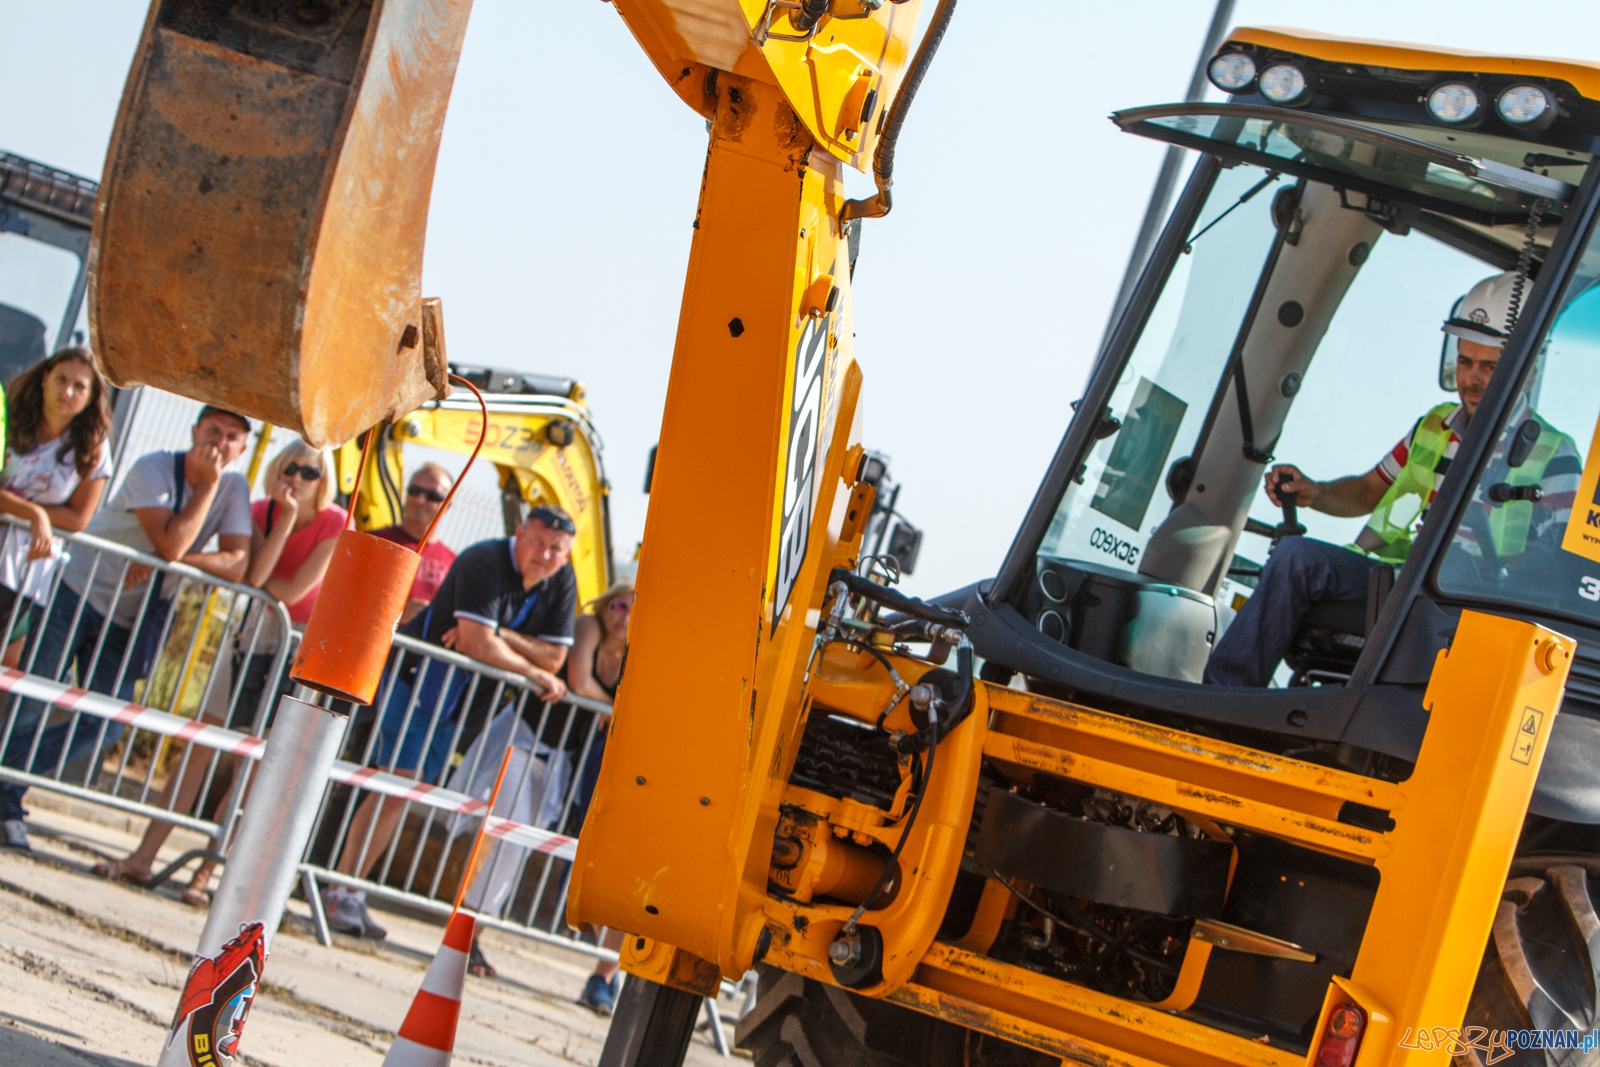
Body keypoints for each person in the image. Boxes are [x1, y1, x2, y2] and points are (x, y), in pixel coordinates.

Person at [1205, 272, 1580, 687]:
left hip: (1467, 607)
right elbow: (1369, 490)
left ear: (1526, 368)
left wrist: (1478, 564)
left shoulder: (1554, 455)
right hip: (1400, 579)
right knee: (1297, 558)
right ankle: (1219, 700)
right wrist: (1317, 492)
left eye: (1489, 366)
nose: (1471, 379)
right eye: (1466, 362)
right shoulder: (1434, 426)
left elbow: (1555, 570)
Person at [94, 439, 345, 897]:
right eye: (291, 467)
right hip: (245, 636)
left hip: (294, 649)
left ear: (323, 480)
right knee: (199, 745)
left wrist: (261, 577)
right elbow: (254, 578)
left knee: (251, 766)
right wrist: (283, 523)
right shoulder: (260, 510)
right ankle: (143, 858)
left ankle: (206, 875)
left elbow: (289, 591)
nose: (298, 478)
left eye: (310, 472)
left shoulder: (335, 522)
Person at [0, 406, 252, 851]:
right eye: (213, 430)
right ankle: (8, 802)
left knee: (106, 725)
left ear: (244, 448)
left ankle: (5, 782)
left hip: (133, 616)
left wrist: (167, 565)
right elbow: (171, 541)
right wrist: (201, 497)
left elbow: (235, 562)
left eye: (232, 436)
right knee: (33, 703)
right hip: (77, 589)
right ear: (193, 431)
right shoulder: (153, 467)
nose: (220, 443)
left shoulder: (233, 487)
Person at [322, 505, 577, 939]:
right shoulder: (484, 559)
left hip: (463, 701)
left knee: (406, 788)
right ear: (518, 534)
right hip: (420, 680)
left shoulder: (561, 581)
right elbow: (481, 644)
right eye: (537, 542)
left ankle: (348, 888)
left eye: (557, 549)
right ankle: (339, 891)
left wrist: (501, 637)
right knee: (396, 785)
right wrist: (528, 668)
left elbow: (555, 656)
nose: (545, 554)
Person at [0, 348, 114, 668]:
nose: (67, 392)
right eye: (61, 379)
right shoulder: (8, 416)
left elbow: (79, 517)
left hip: (19, 572)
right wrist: (34, 514)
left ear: (91, 397)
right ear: (44, 379)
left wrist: (31, 516)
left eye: (79, 386)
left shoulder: (93, 446)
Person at [568, 581, 631, 1010]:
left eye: (631, 609)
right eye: (619, 604)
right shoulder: (586, 625)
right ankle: (466, 939)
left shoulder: (645, 649)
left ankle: (603, 977)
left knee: (629, 870)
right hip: (563, 745)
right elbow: (578, 679)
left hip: (619, 758)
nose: (623, 615)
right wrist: (614, 711)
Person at [369, 463, 457, 625]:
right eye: (415, 491)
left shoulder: (454, 563)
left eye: (432, 496)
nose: (420, 500)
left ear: (448, 505)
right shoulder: (372, 542)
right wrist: (397, 614)